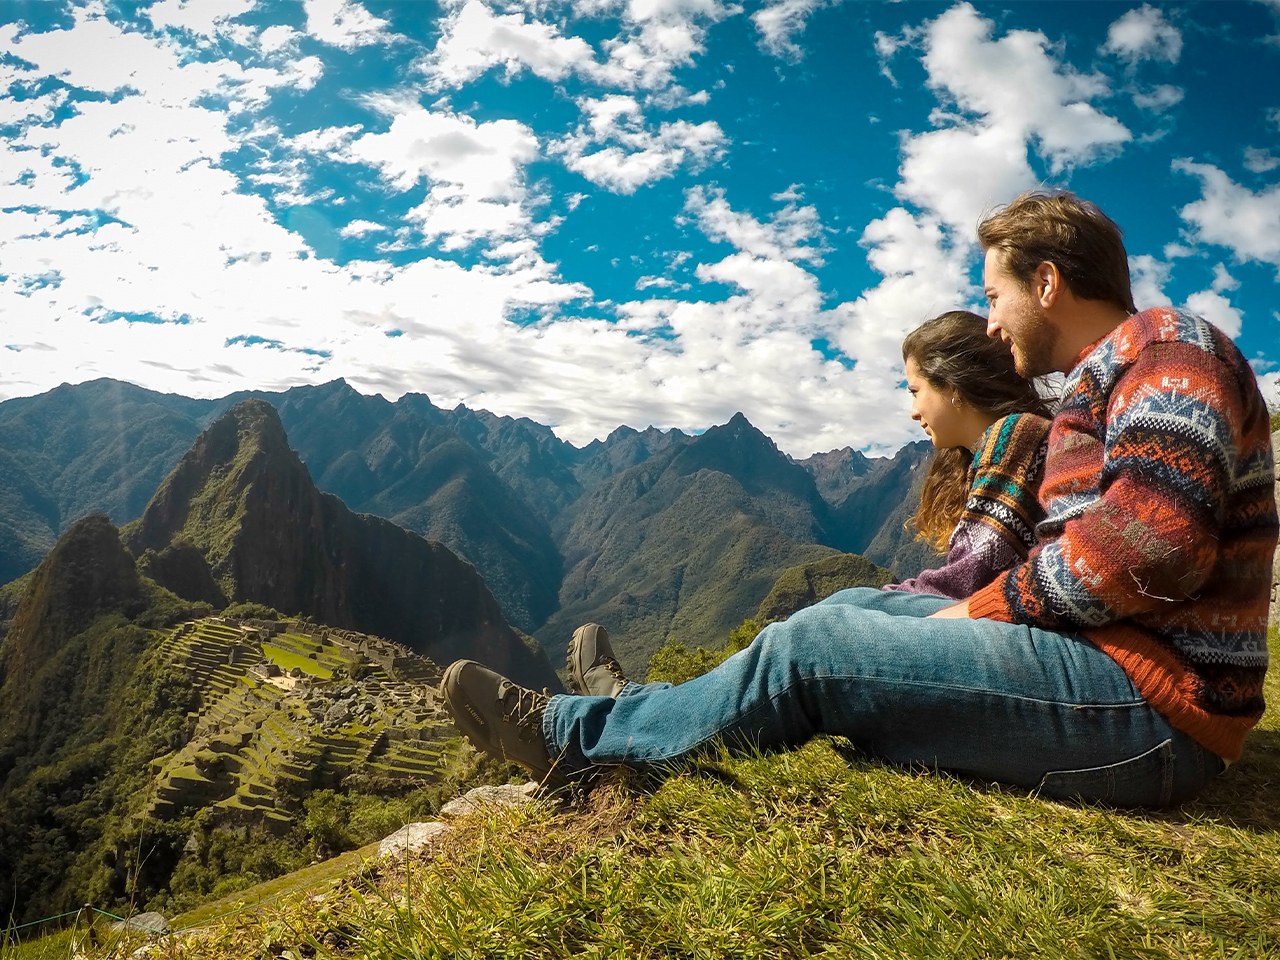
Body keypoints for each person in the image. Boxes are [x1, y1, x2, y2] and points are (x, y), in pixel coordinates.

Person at [442, 190, 1278, 808]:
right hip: (1107, 675)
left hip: (1153, 711)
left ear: (1048, 282)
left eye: (994, 296)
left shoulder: (1169, 351)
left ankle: (574, 741)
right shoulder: (1109, 379)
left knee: (821, 647)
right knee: (844, 611)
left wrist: (985, 613)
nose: (991, 324)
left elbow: (1155, 540)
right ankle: (636, 718)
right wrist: (980, 613)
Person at [888, 309, 1052, 601]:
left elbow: (968, 583)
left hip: (1035, 633)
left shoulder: (1016, 440)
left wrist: (881, 601)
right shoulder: (992, 451)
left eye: (915, 391)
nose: (914, 412)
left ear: (951, 386)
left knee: (818, 624)